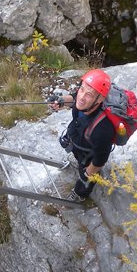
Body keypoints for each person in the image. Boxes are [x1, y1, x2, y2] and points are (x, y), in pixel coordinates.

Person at [49, 69, 116, 202]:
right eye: (82, 89)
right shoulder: (85, 103)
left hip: (88, 153)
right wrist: (61, 100)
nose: (81, 97)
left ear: (100, 99)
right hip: (79, 136)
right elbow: (75, 98)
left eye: (89, 94)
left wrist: (86, 175)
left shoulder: (102, 130)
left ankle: (81, 194)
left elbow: (99, 160)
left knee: (85, 178)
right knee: (78, 156)